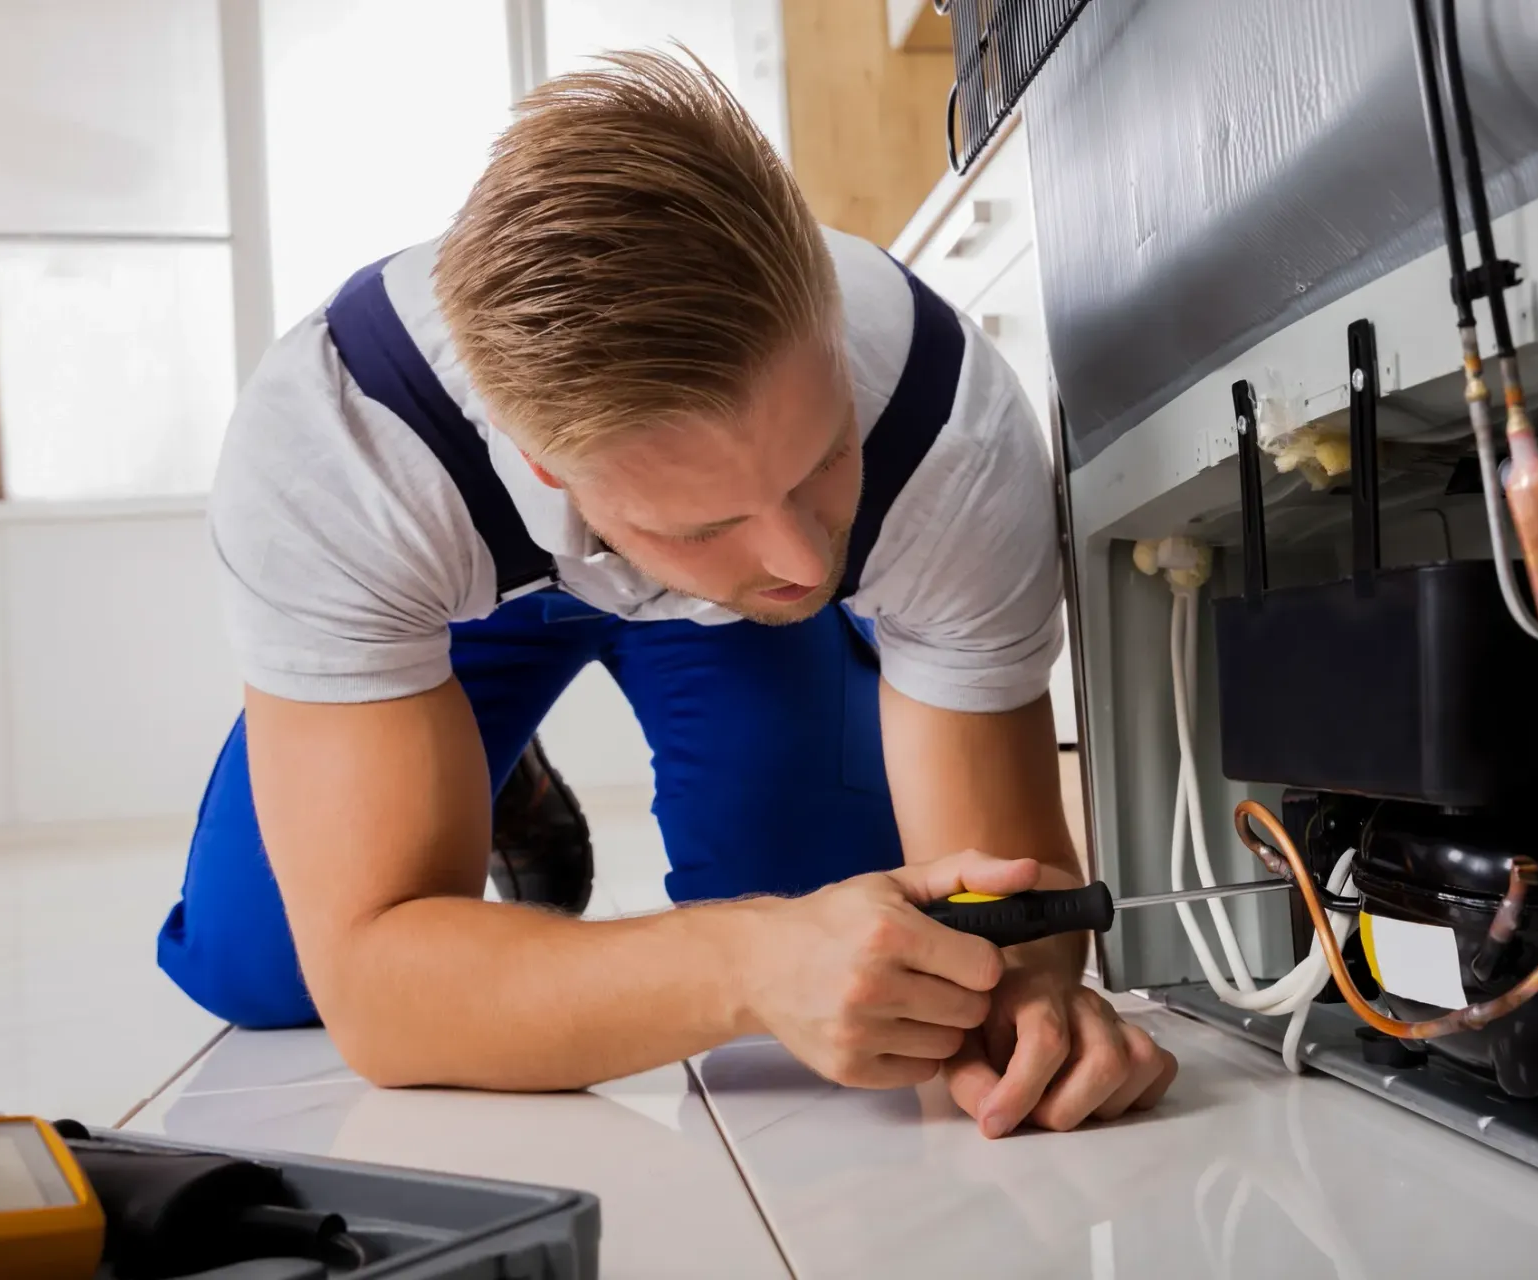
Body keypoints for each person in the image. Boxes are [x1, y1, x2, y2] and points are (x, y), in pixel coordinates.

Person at [157, 51, 1175, 1140]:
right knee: (268, 970)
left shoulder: (946, 426)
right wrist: (740, 965)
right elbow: (378, 995)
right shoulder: (339, 452)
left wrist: (1017, 994)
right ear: (548, 466)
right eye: (707, 519)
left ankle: (562, 676)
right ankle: (463, 753)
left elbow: (1000, 905)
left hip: (726, 625)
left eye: (822, 455)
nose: (797, 556)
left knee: (862, 938)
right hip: (455, 602)